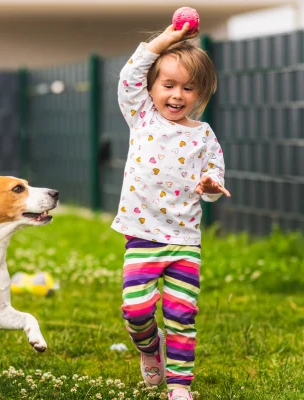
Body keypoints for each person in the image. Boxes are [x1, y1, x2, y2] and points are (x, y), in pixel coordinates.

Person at [111, 22, 231, 400]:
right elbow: (130, 73)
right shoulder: (142, 117)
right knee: (135, 310)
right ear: (151, 88)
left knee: (182, 315)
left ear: (200, 93)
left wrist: (210, 186)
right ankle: (150, 348)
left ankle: (180, 386)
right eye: (169, 85)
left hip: (184, 242)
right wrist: (167, 38)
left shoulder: (204, 136)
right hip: (142, 236)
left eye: (188, 87)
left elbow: (213, 177)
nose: (177, 95)